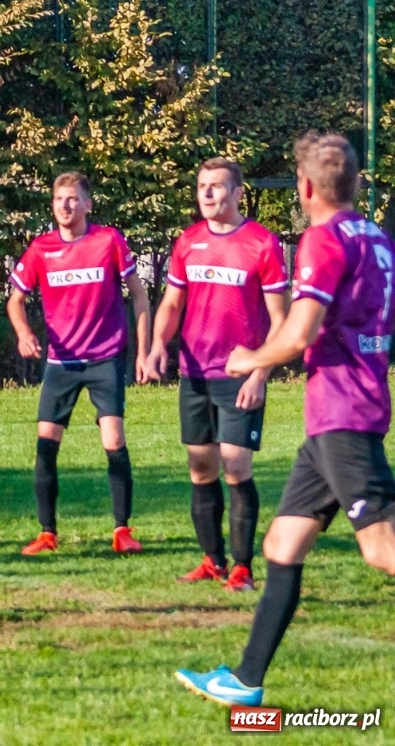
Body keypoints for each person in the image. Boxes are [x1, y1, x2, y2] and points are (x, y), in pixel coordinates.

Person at [177, 132, 395, 707]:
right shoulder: (374, 234)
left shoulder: (322, 241)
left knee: (380, 548)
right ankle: (246, 681)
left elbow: (299, 334)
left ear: (304, 187)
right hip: (337, 415)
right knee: (282, 544)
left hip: (344, 411)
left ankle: (246, 679)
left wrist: (250, 357)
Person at [146, 159, 287, 592]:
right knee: (201, 468)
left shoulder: (262, 244)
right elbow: (171, 305)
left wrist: (259, 374)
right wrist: (156, 347)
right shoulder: (187, 242)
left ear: (239, 193)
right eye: (202, 186)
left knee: (236, 466)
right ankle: (212, 560)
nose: (207, 194)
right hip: (194, 373)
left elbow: (281, 320)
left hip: (238, 373)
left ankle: (243, 568)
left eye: (217, 187)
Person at [6, 171, 151, 556]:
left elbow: (139, 296)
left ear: (88, 203)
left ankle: (122, 530)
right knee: (46, 444)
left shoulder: (108, 241)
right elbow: (15, 300)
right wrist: (23, 333)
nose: (65, 206)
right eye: (59, 199)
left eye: (72, 199)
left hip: (104, 358)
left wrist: (144, 349)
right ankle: (47, 533)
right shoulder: (41, 248)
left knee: (114, 440)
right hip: (62, 362)